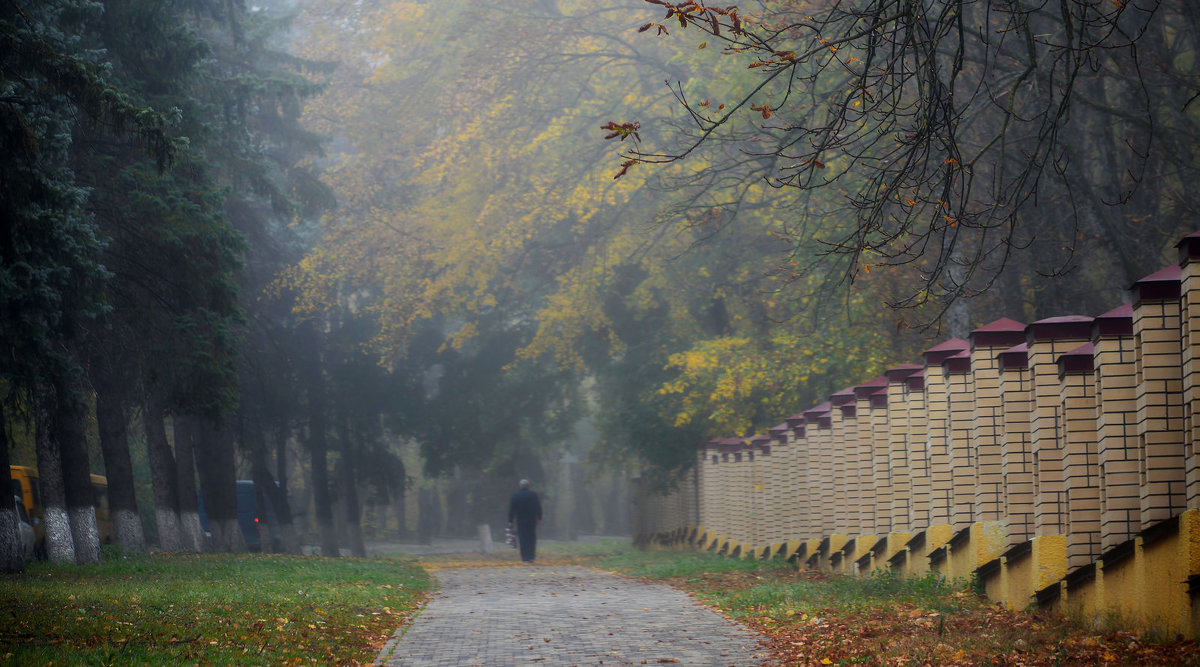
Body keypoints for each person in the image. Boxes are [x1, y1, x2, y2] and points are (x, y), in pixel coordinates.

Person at [507, 479, 542, 563]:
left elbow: (512, 509)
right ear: (529, 486)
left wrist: (510, 520)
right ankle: (531, 557)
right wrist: (539, 518)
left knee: (522, 538)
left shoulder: (516, 495)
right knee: (531, 538)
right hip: (531, 520)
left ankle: (525, 557)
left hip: (520, 520)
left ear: (520, 486)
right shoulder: (533, 495)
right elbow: (538, 507)